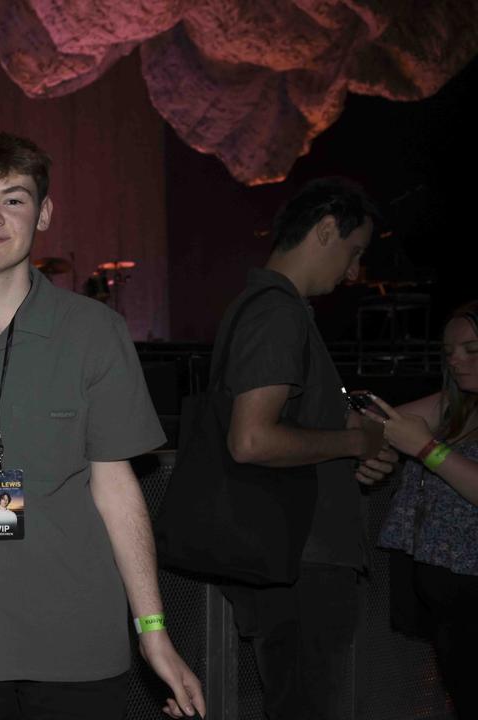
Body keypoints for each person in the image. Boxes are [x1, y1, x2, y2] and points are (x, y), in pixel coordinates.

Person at [0, 131, 204, 720]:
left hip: (75, 645)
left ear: (44, 213)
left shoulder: (95, 332)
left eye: (13, 199)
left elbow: (117, 489)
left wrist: (154, 629)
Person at [212, 177, 399, 720]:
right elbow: (251, 440)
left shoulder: (275, 308)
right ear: (324, 230)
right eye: (354, 251)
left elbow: (286, 429)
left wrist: (352, 451)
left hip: (296, 558)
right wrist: (354, 440)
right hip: (301, 562)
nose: (354, 271)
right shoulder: (276, 312)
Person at [371, 300, 478, 718]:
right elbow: (376, 423)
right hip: (446, 597)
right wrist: (370, 454)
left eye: (471, 349)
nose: (455, 359)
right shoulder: (456, 405)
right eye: (449, 351)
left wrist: (426, 449)